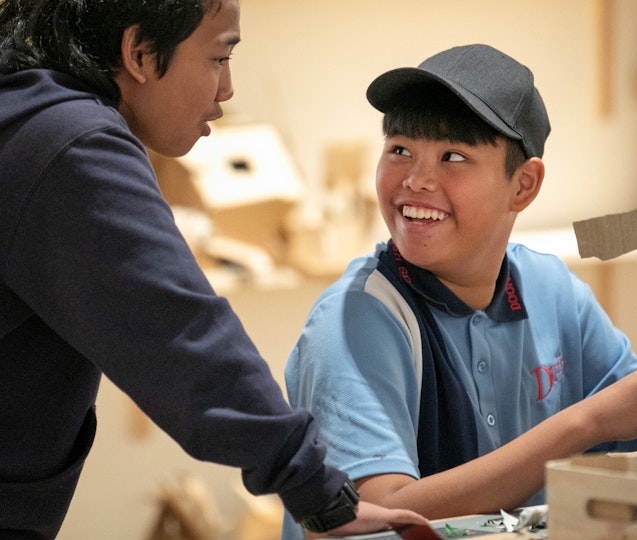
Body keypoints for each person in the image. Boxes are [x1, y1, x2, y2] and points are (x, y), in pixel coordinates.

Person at [0, 1, 427, 538]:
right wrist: (318, 490)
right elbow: (179, 333)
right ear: (138, 52)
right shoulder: (69, 142)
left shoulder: (24, 113)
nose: (226, 90)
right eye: (219, 58)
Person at [281, 44, 637, 538]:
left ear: (524, 185)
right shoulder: (354, 322)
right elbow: (373, 516)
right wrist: (587, 424)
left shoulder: (553, 291)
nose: (417, 180)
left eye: (453, 156)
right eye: (399, 150)